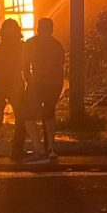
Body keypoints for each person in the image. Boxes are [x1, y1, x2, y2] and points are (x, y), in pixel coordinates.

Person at [18, 17, 66, 164]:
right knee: (49, 114)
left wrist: (29, 81)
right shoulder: (57, 45)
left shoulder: (30, 43)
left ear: (38, 28)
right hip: (55, 84)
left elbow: (25, 67)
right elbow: (61, 65)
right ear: (52, 29)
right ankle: (51, 149)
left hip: (38, 84)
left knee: (26, 116)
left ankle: (39, 151)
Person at [0, 19, 28, 160]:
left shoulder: (0, 48)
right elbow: (23, 64)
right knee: (21, 114)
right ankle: (17, 144)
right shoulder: (21, 46)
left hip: (0, 82)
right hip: (14, 83)